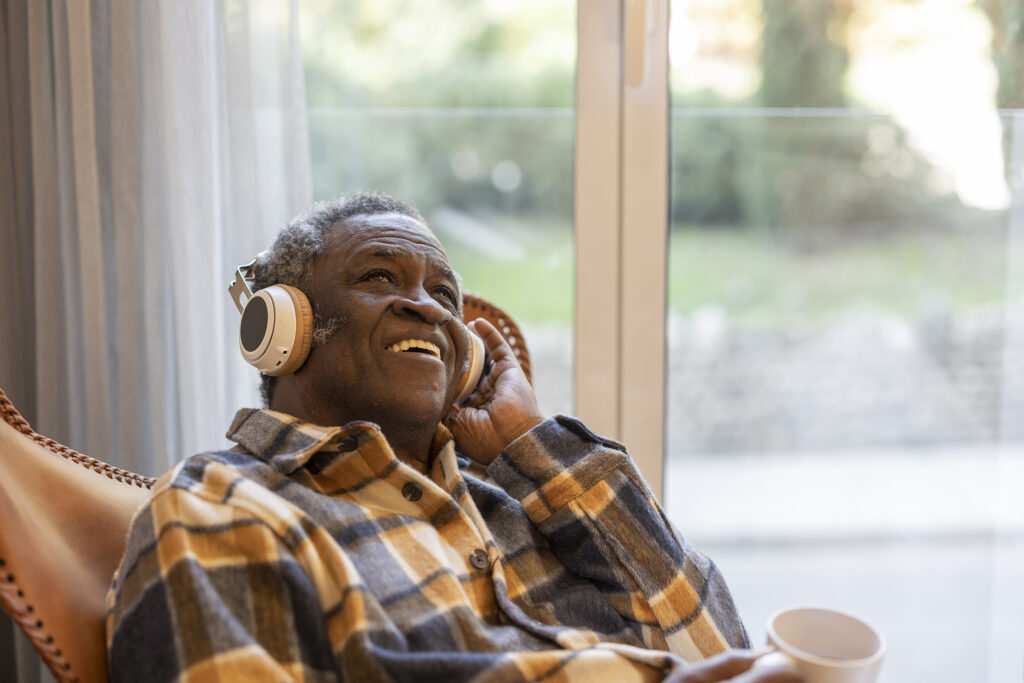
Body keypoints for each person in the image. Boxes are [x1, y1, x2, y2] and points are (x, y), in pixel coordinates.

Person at [106, 192, 801, 682]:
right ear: (280, 329)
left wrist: (527, 440)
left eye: (445, 295)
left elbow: (712, 642)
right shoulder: (220, 508)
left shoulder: (521, 500)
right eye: (379, 276)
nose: (427, 308)